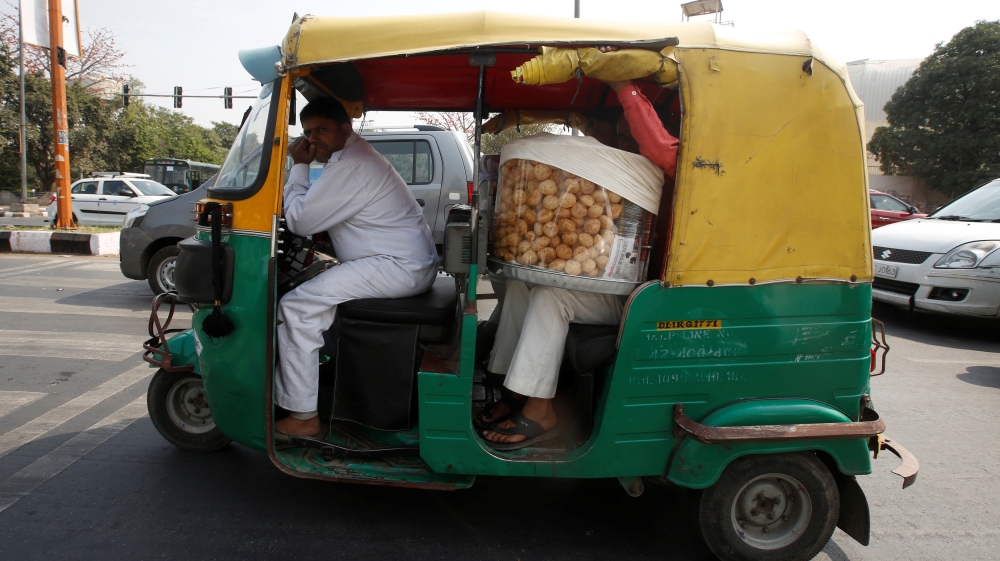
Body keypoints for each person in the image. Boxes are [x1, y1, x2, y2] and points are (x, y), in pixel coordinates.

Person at [480, 79, 679, 449]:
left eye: (626, 138)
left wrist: (623, 86)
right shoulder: (614, 188)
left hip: (645, 296)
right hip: (610, 285)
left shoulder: (668, 171)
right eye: (615, 138)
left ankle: (541, 409)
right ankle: (515, 388)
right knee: (524, 284)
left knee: (553, 296)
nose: (620, 147)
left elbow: (660, 149)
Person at [275, 98, 438, 437]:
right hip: (400, 264)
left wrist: (299, 166)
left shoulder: (351, 164)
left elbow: (301, 220)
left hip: (395, 267)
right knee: (315, 296)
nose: (313, 139)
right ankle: (317, 383)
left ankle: (303, 417)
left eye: (322, 129)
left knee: (296, 307)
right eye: (307, 132)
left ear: (345, 129)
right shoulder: (350, 158)